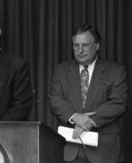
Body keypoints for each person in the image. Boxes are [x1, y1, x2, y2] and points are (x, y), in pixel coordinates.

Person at [49, 25, 128, 163]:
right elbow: (55, 100)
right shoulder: (61, 70)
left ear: (97, 45)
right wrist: (75, 117)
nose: (80, 50)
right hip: (70, 151)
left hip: (104, 152)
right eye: (76, 45)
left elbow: (119, 103)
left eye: (85, 45)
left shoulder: (115, 70)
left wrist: (88, 121)